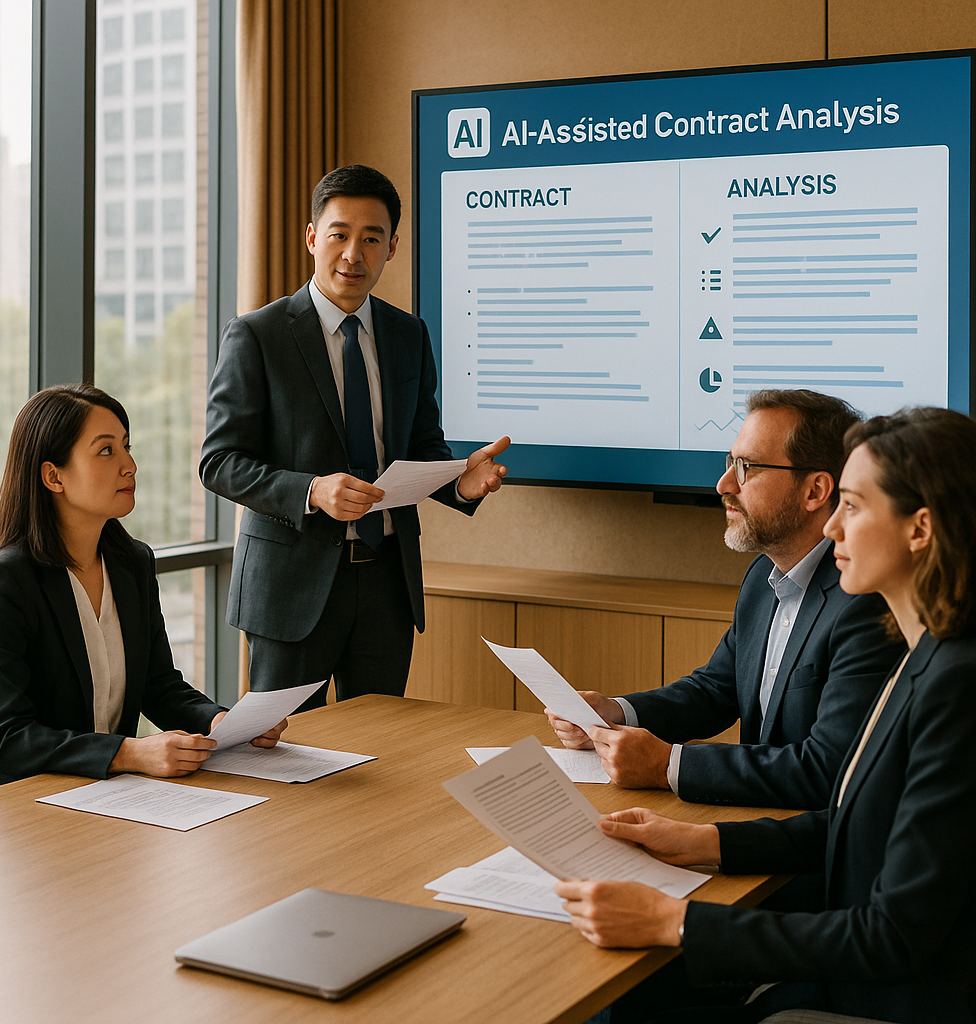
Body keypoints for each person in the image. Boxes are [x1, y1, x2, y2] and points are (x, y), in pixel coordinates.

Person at [555, 406, 976, 1024]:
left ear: (920, 530)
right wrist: (704, 841)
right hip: (844, 979)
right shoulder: (927, 655)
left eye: (853, 507)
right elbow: (858, 824)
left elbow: (892, 937)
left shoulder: (955, 683)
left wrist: (674, 921)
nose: (831, 528)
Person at [200, 164, 509, 704]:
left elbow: (419, 450)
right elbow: (220, 461)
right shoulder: (257, 335)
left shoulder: (408, 333)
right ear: (312, 238)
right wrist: (312, 491)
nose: (353, 254)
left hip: (387, 582)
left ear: (391, 248)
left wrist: (460, 482)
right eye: (339, 235)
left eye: (372, 239)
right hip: (291, 589)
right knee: (289, 760)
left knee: (380, 752)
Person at [548, 389, 903, 809]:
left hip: (806, 849)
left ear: (815, 491)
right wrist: (617, 712)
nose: (723, 485)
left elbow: (827, 770)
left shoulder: (865, 601)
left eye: (746, 468)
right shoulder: (762, 577)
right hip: (753, 820)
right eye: (729, 463)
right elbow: (717, 690)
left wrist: (669, 765)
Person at [0, 384, 284, 797]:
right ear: (53, 476)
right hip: (5, 798)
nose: (130, 465)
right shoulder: (2, 583)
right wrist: (129, 753)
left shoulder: (133, 563)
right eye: (106, 451)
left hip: (98, 792)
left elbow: (158, 686)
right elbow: (5, 737)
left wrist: (220, 723)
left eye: (127, 447)